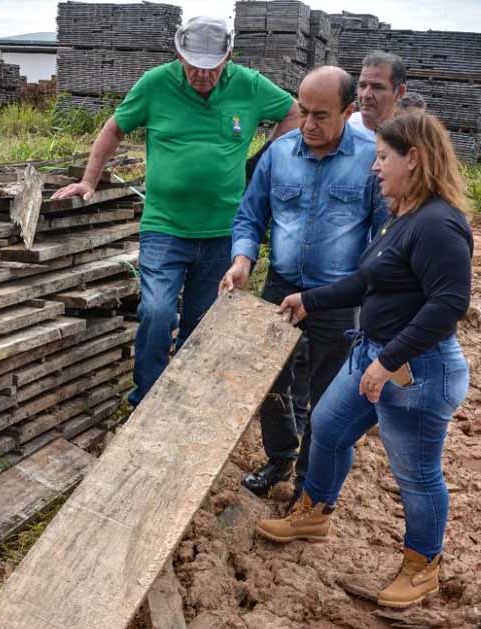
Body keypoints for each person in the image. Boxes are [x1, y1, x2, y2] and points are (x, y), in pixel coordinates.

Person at [255, 112, 473, 608]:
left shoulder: (439, 224)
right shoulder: (405, 215)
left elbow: (448, 305)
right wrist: (312, 299)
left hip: (417, 370)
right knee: (329, 430)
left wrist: (387, 359)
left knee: (417, 474)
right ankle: (314, 512)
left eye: (382, 157)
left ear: (412, 158)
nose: (374, 167)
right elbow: (368, 281)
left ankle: (423, 565)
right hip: (375, 356)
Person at [52, 16, 300, 407]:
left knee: (201, 323)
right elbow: (114, 128)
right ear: (178, 54)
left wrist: (261, 162)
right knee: (156, 312)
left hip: (222, 231)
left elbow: (295, 112)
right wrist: (89, 180)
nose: (202, 76)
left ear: (228, 58)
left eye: (212, 69)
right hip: (165, 227)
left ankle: (182, 399)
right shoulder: (155, 84)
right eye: (193, 67)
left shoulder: (249, 86)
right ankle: (146, 398)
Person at [221, 66, 388, 501]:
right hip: (280, 289)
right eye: (303, 112)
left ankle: (308, 486)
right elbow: (250, 216)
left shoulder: (372, 159)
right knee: (272, 382)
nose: (308, 125)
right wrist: (242, 259)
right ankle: (279, 457)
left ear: (348, 111)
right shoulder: (280, 154)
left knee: (327, 398)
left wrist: (364, 290)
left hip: (337, 298)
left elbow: (384, 238)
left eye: (321, 115)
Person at [348, 51, 407, 137]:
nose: (365, 95)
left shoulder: (409, 139)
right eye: (362, 86)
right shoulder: (339, 132)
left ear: (399, 92)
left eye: (377, 87)